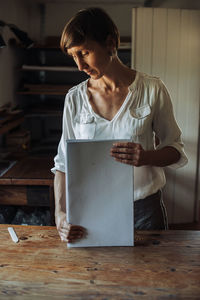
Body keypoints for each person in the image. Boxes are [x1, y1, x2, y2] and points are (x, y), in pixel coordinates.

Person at [51, 7, 188, 243]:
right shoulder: (74, 98)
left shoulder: (152, 89)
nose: (79, 66)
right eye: (73, 56)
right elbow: (63, 164)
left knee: (155, 277)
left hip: (145, 210)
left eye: (84, 52)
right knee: (99, 277)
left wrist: (145, 157)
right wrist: (60, 213)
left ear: (110, 43)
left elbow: (175, 151)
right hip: (92, 208)